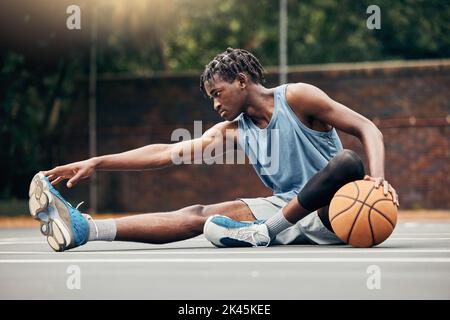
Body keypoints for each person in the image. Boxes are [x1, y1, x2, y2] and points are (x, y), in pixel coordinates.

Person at [28, 47, 398, 252]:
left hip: (336, 208)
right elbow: (164, 153)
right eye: (211, 99)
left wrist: (377, 180)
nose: (215, 105)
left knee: (347, 161)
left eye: (218, 94)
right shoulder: (233, 130)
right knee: (200, 213)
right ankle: (87, 230)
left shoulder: (298, 97)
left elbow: (367, 128)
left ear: (242, 80)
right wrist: (98, 161)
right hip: (287, 207)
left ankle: (265, 231)